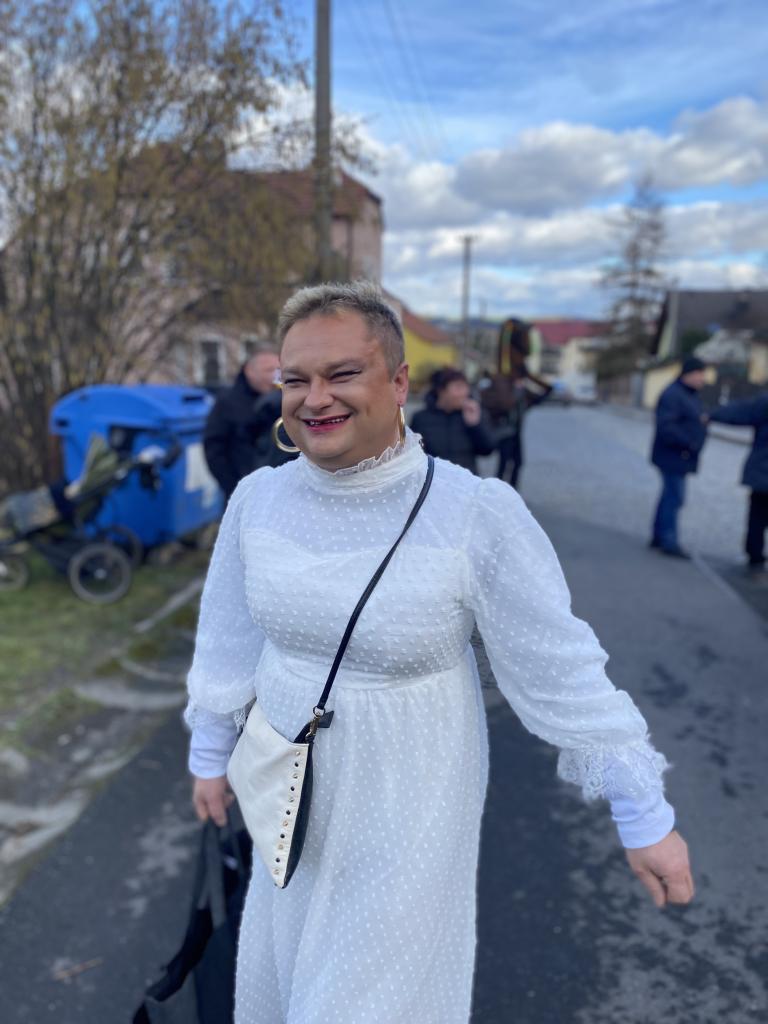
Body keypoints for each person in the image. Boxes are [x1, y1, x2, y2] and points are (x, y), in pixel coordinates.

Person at [185, 282, 693, 1024]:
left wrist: (643, 813)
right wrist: (209, 751)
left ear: (398, 383)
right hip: (286, 785)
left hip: (411, 794)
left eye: (342, 373)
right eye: (295, 380)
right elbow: (227, 635)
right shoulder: (257, 500)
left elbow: (560, 666)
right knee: (289, 973)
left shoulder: (473, 513)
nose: (314, 398)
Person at [203, 346, 286, 502]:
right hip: (242, 492)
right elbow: (214, 450)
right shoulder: (228, 402)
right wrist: (235, 489)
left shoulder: (283, 399)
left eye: (278, 371)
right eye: (269, 370)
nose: (275, 377)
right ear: (249, 371)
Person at [649, 356, 708, 558]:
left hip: (679, 456)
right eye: (699, 374)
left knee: (669, 496)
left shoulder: (688, 394)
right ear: (687, 374)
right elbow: (667, 427)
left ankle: (659, 536)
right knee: (674, 498)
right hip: (673, 455)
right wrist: (689, 443)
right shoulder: (674, 395)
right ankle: (669, 540)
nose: (702, 378)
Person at [707, 389, 768, 577]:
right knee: (758, 518)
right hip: (763, 473)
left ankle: (755, 559)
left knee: (757, 519)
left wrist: (711, 415)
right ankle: (755, 559)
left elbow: (742, 411)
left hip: (762, 472)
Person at [410, 367, 495, 473]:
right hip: (434, 479)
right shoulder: (421, 418)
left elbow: (487, 450)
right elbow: (413, 456)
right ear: (441, 390)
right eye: (458, 387)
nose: (464, 393)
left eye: (466, 387)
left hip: (466, 480)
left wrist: (475, 426)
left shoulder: (472, 413)